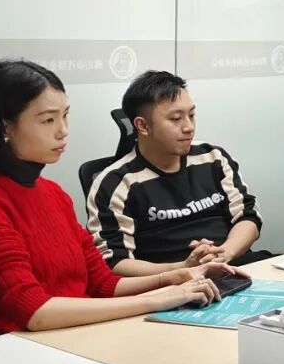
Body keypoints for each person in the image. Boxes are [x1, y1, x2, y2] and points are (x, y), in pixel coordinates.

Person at [0, 60, 243, 334]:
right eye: (48, 120)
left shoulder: (52, 194)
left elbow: (102, 282)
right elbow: (35, 312)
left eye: (65, 116)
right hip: (26, 349)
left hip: (79, 334)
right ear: (5, 126)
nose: (63, 131)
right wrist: (160, 299)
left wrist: (178, 274)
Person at [87, 70, 266, 276]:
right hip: (169, 284)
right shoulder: (115, 183)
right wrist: (183, 269)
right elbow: (114, 262)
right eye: (176, 119)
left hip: (235, 269)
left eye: (192, 115)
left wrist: (224, 254)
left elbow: (248, 217)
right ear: (142, 126)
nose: (189, 127)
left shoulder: (213, 158)